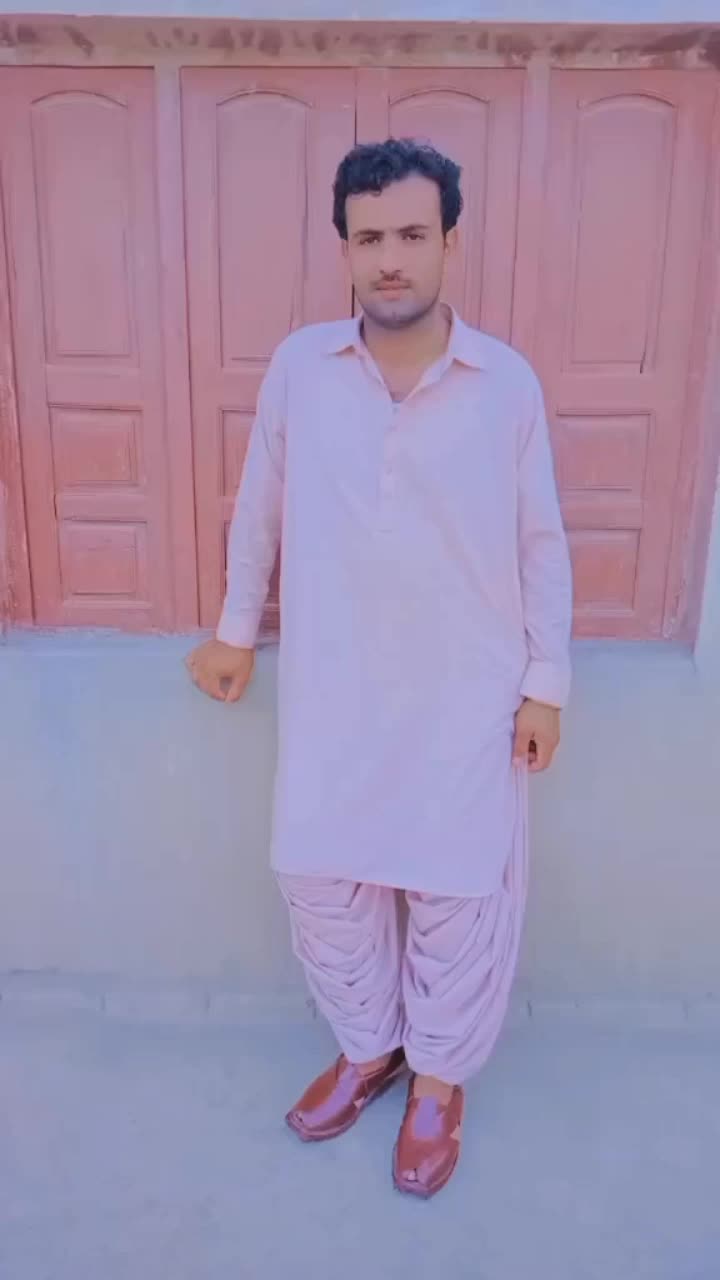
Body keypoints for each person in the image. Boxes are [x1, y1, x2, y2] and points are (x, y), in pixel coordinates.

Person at [187, 138, 572, 1199]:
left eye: (411, 234)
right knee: (321, 879)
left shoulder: (505, 384)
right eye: (369, 239)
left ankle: (439, 1079)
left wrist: (546, 684)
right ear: (345, 250)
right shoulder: (301, 369)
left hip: (467, 698)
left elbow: (541, 541)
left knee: (457, 895)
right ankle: (371, 1049)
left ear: (451, 241)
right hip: (333, 690)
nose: (390, 258)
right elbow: (260, 504)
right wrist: (234, 629)